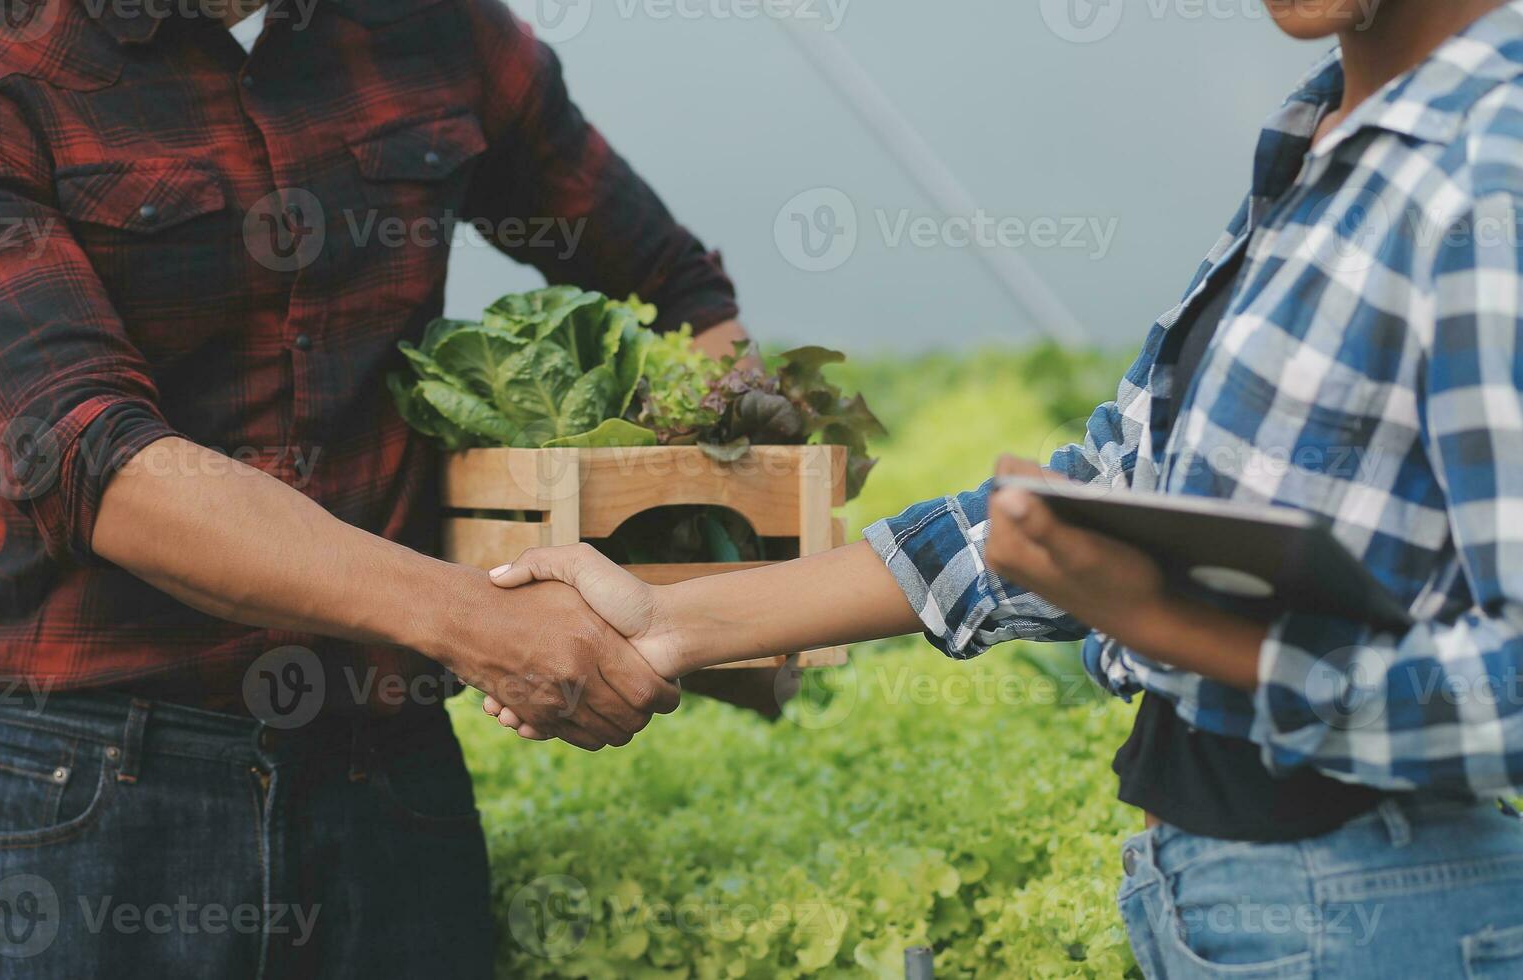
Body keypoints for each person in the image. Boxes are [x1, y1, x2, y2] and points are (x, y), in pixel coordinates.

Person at [483, 0, 1523, 972]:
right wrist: (670, 618)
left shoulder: (1491, 169)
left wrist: (1170, 620)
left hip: (1374, 907)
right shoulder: (1326, 138)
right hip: (1242, 898)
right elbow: (1121, 481)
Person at [0, 0, 749, 975]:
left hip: (389, 783)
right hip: (98, 793)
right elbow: (100, 464)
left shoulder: (437, 31)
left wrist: (731, 552)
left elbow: (679, 293)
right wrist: (477, 621)